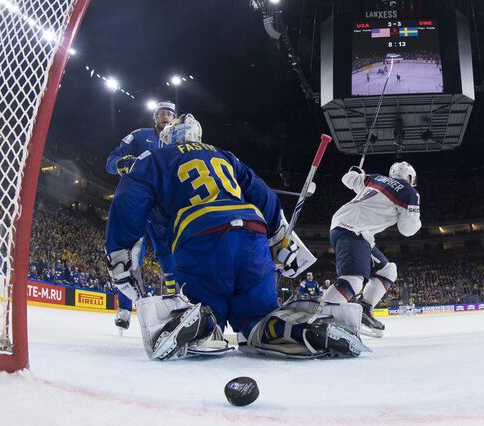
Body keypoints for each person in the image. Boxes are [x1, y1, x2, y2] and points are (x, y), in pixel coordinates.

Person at [105, 116, 369, 360]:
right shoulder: (225, 155)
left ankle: (204, 324)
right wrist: (278, 238)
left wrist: (119, 255)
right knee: (258, 318)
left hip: (201, 239)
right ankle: (302, 328)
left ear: (167, 139)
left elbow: (128, 201)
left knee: (207, 308)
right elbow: (263, 193)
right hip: (251, 234)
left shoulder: (153, 157)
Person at [322, 162, 421, 337]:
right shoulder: (410, 192)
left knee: (388, 271)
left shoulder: (375, 178)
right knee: (353, 281)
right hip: (353, 228)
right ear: (410, 177)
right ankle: (322, 318)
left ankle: (364, 310)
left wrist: (355, 171)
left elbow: (348, 179)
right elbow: (407, 230)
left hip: (353, 229)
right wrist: (416, 220)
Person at [105, 101, 178, 331]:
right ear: (154, 118)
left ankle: (173, 305)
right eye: (161, 113)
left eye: (170, 113)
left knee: (169, 256)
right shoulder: (138, 137)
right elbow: (111, 161)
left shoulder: (181, 143)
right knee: (129, 257)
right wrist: (122, 163)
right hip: (137, 205)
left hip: (164, 207)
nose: (165, 116)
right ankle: (125, 309)